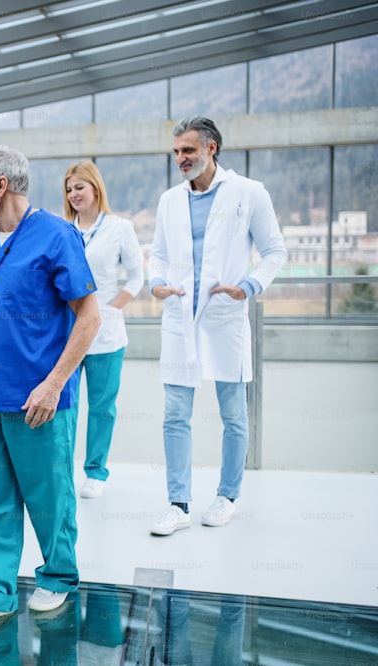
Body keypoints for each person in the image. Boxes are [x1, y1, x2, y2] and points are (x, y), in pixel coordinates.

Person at [0, 145, 100, 631]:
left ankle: (58, 577)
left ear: (0, 186)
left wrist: (55, 383)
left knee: (49, 497)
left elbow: (89, 318)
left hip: (39, 398)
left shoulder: (57, 237)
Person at [148, 117, 286, 536]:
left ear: (212, 149)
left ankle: (227, 496)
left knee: (233, 413)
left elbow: (275, 251)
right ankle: (178, 504)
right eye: (176, 152)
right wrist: (156, 283)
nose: (180, 159)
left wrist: (248, 286)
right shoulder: (169, 200)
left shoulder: (248, 193)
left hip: (224, 316)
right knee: (175, 415)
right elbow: (156, 254)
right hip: (178, 316)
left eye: (188, 150)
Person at [63, 161, 144, 499]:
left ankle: (96, 471)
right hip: (67, 333)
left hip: (106, 335)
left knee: (101, 407)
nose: (73, 194)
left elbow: (137, 277)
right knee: (64, 404)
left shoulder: (119, 228)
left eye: (79, 187)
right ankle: (60, 468)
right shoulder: (62, 229)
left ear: (96, 188)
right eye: (69, 189)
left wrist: (112, 308)